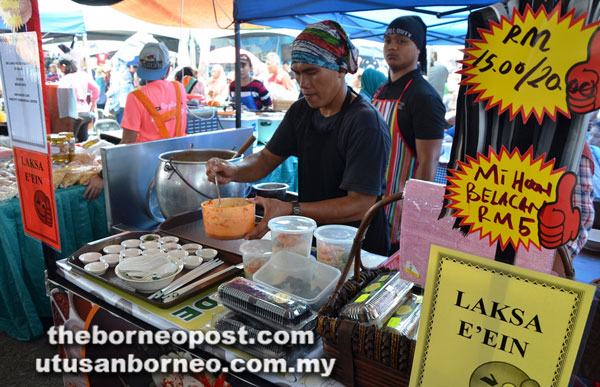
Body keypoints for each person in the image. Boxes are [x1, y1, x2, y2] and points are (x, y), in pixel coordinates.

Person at [206, 20, 392, 255]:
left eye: (312, 72)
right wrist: (234, 170)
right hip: (312, 240)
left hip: (359, 251)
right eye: (297, 73)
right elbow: (265, 160)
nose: (303, 83)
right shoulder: (301, 111)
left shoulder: (365, 123)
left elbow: (359, 204)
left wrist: (291, 209)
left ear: (340, 70)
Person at [371, 16, 446, 251]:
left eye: (402, 41)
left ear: (418, 49)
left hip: (400, 213)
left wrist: (414, 222)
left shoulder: (425, 98)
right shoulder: (381, 90)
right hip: (372, 205)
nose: (392, 46)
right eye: (388, 40)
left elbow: (428, 164)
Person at [83, 42, 187, 201]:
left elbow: (127, 143)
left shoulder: (136, 98)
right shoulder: (179, 88)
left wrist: (101, 175)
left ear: (140, 70)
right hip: (178, 167)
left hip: (147, 172)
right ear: (168, 69)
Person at [57, 55, 100, 143]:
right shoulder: (83, 75)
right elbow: (96, 88)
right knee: (83, 142)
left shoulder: (65, 79)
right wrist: (93, 101)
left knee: (70, 143)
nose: (60, 70)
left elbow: (63, 98)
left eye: (59, 67)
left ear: (64, 66)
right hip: (85, 113)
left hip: (73, 115)